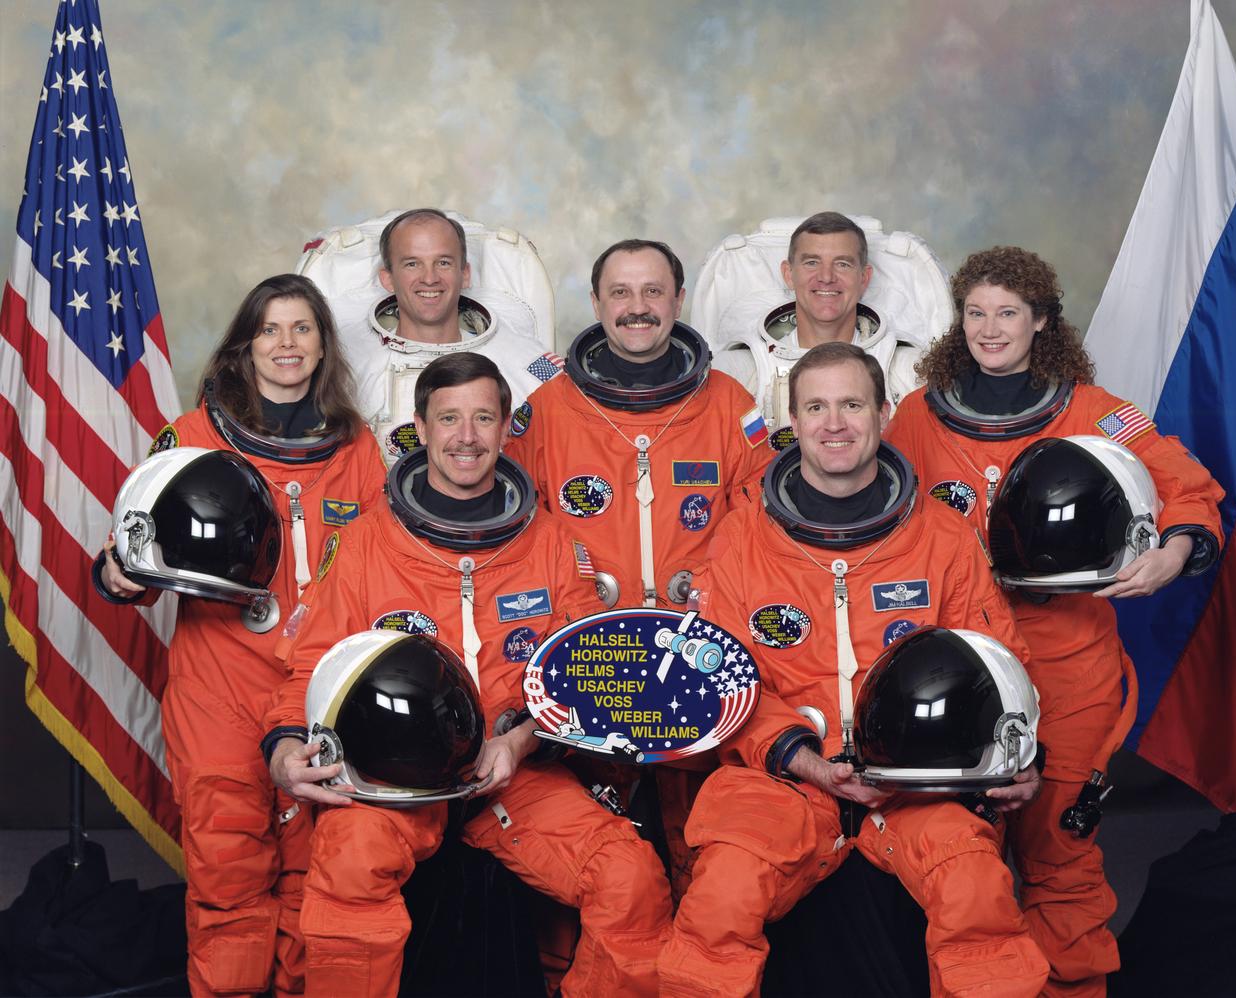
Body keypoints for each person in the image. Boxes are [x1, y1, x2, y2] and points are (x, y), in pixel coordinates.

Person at [263, 353, 673, 997]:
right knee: (349, 865)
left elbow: (589, 679)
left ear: (506, 427)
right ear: (420, 429)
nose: (467, 436)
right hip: (392, 778)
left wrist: (520, 743)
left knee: (631, 879)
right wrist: (285, 747)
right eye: (449, 418)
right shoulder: (368, 542)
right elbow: (314, 665)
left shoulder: (551, 544)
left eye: (483, 418)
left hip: (512, 773)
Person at [657, 342, 1049, 998]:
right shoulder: (740, 540)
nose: (833, 423)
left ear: (883, 414)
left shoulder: (941, 536)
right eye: (816, 407)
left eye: (851, 405)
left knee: (974, 887)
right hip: (781, 779)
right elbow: (719, 682)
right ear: (793, 420)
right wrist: (806, 761)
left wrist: (1023, 756)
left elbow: (997, 661)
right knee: (723, 895)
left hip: (918, 782)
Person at [886, 246, 1224, 997]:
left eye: (1007, 312)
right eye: (976, 312)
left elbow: (1188, 488)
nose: (989, 328)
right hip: (961, 665)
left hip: (1067, 663)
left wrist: (1173, 553)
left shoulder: (1096, 413)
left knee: (1060, 859)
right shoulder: (916, 417)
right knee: (960, 867)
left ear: (1041, 320)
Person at [96, 274, 386, 998]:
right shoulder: (193, 439)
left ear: (322, 346)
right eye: (269, 330)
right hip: (219, 682)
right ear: (245, 347)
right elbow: (134, 550)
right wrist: (117, 573)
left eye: (302, 329)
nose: (286, 344)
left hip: (316, 687)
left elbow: (385, 564)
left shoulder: (357, 449)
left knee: (311, 870)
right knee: (228, 866)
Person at [506, 238, 773, 611]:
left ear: (678, 302)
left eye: (653, 291)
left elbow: (757, 527)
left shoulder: (727, 404)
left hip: (698, 625)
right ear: (596, 303)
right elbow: (520, 537)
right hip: (587, 628)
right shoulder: (548, 409)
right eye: (620, 293)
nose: (637, 308)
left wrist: (709, 600)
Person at [348, 208, 563, 464]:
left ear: (465, 274)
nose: (430, 278)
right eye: (412, 264)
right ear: (387, 279)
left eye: (443, 262)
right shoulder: (347, 370)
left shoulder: (526, 366)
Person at [712, 212, 929, 440]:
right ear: (788, 274)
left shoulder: (907, 371)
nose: (826, 277)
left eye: (843, 264)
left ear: (864, 278)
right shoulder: (740, 372)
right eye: (812, 263)